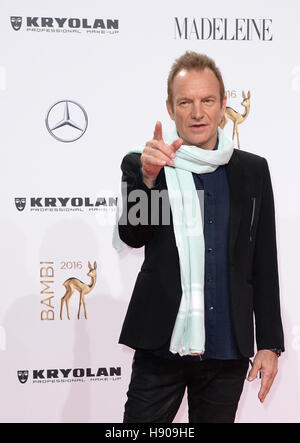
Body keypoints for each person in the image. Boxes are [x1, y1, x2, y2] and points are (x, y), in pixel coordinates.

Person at [116, 51, 284, 423]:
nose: (197, 113)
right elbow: (134, 236)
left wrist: (270, 344)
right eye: (185, 102)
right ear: (170, 107)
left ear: (224, 104)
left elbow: (263, 261)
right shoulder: (148, 163)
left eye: (207, 100)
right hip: (162, 346)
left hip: (227, 349)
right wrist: (147, 180)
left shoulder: (252, 170)